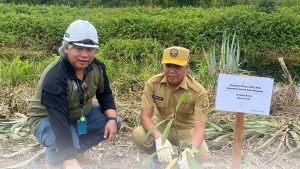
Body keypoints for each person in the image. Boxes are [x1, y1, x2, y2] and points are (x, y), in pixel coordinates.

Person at [27, 20, 121, 169]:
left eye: (89, 49)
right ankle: (55, 163)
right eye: (78, 48)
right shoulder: (55, 77)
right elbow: (58, 121)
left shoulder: (97, 67)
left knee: (115, 121)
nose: (84, 55)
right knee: (63, 138)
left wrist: (111, 119)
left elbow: (105, 94)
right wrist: (70, 162)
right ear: (66, 48)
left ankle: (76, 150)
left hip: (77, 115)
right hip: (47, 119)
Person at [132, 46, 210, 169]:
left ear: (187, 68)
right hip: (162, 126)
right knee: (139, 134)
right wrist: (158, 138)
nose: (172, 71)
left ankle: (180, 163)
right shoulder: (153, 84)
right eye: (168, 65)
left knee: (201, 153)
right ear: (163, 65)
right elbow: (144, 116)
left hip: (185, 130)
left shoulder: (198, 91)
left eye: (178, 67)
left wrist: (191, 150)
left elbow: (200, 127)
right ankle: (156, 159)